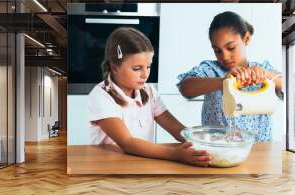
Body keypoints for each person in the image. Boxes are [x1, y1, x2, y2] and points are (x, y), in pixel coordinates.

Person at [88, 27, 211, 167]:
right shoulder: (100, 96)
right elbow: (127, 142)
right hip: (108, 169)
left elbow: (178, 130)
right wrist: (176, 154)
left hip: (142, 166)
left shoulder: (149, 92)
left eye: (148, 67)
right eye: (137, 68)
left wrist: (205, 143)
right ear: (114, 67)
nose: (145, 74)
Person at [177, 11, 283, 142]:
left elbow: (283, 83)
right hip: (218, 149)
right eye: (217, 50)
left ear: (247, 39)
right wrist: (223, 82)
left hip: (259, 149)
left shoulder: (262, 69)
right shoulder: (211, 69)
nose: (224, 56)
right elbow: (185, 87)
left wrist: (266, 75)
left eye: (231, 47)